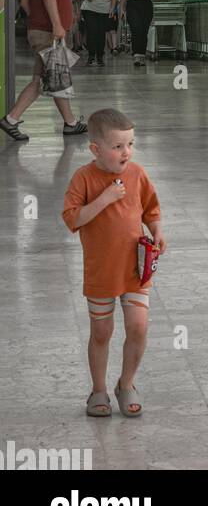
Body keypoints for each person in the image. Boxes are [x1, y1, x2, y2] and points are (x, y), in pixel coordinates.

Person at [62, 107, 165, 418]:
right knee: (101, 332)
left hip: (136, 269)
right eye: (118, 146)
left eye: (130, 144)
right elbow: (72, 219)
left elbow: (152, 210)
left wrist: (157, 231)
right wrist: (104, 199)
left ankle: (126, 383)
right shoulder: (84, 178)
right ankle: (98, 389)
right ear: (96, 148)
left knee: (138, 327)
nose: (126, 152)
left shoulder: (137, 174)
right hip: (101, 273)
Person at [0, 0, 87, 143]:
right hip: (50, 34)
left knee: (43, 80)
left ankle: (15, 120)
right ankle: (68, 123)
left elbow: (25, 3)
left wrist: (37, 20)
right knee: (56, 77)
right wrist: (56, 25)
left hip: (39, 31)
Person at [79, 0, 118, 68]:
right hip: (89, 8)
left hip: (104, 9)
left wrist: (112, 8)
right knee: (92, 31)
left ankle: (100, 57)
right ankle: (91, 56)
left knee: (101, 33)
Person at [120, 0, 157, 68]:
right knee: (136, 29)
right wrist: (122, 8)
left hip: (146, 6)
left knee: (144, 31)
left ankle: (142, 55)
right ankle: (136, 55)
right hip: (133, 5)